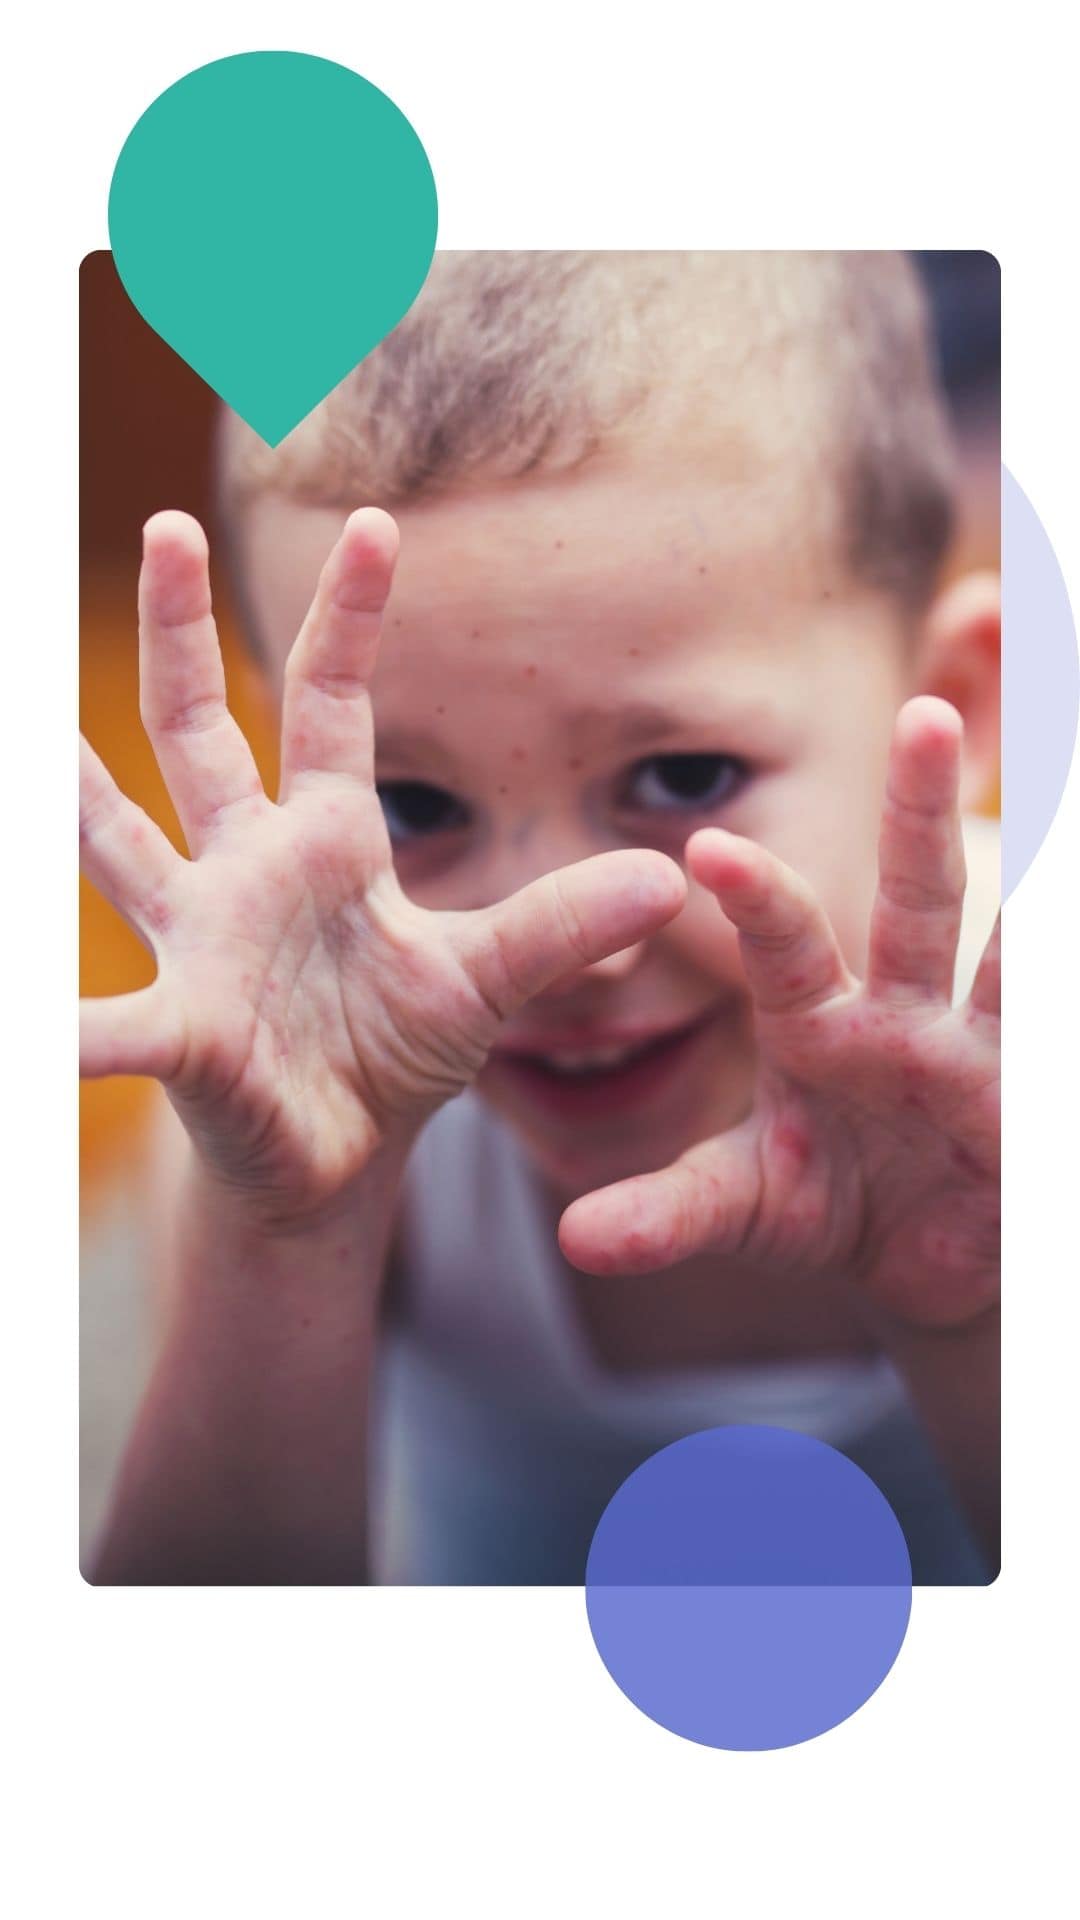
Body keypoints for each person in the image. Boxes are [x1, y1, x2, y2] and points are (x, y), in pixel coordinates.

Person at [80, 252, 1001, 1586]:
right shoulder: (319, 1118)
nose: (565, 940)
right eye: (407, 800)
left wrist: (975, 1317)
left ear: (956, 709)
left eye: (680, 778)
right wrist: (287, 1234)